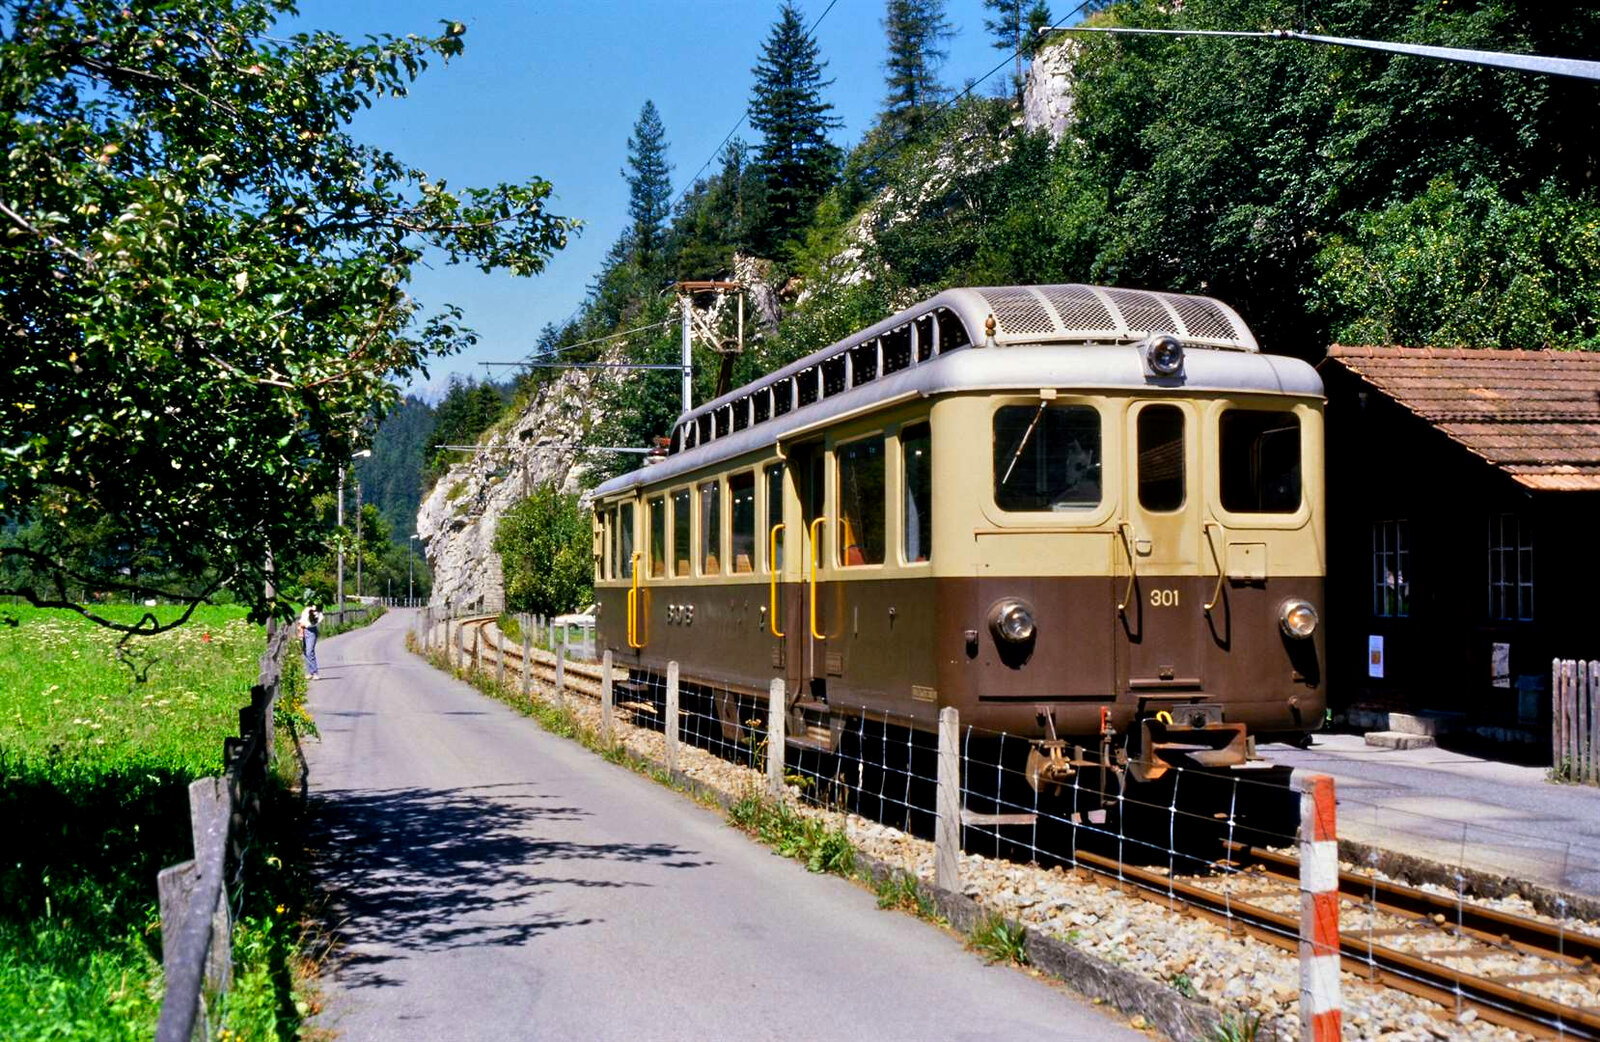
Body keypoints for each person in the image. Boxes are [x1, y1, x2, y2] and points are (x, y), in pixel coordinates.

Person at [297, 596, 323, 680]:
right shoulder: (306, 609)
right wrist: (300, 627)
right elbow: (302, 619)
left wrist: (305, 625)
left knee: (309, 651)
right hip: (304, 630)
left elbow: (317, 620)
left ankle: (315, 672)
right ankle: (310, 672)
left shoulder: (316, 609)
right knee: (305, 651)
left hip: (311, 631)